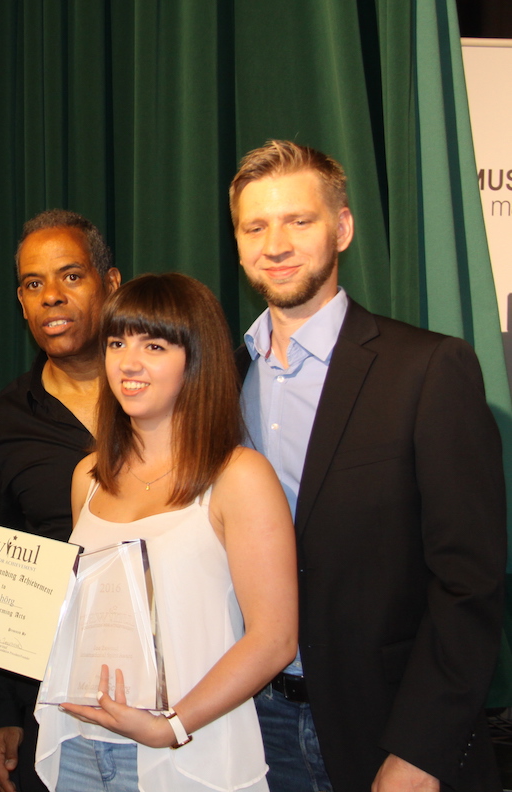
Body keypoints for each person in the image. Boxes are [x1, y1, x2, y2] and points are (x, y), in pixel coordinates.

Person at [232, 140, 506, 791]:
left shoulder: (428, 369)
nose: (276, 245)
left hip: (385, 731)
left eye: (299, 221)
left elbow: (469, 582)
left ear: (343, 228)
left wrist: (422, 749)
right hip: (245, 727)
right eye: (255, 227)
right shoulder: (221, 377)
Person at [27, 272, 298, 791]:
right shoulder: (88, 477)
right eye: (116, 343)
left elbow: (275, 638)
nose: (128, 363)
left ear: (196, 360)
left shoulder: (238, 477)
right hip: (80, 745)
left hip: (187, 752)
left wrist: (170, 726)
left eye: (154, 346)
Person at [0, 209, 121, 792]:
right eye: (34, 284)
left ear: (111, 283)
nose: (52, 297)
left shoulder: (172, 391)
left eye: (71, 276)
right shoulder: (0, 424)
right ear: (21, 302)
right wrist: (1, 711)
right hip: (57, 699)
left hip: (183, 686)